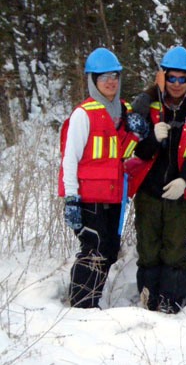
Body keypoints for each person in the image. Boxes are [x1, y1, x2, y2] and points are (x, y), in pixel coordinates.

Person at [59, 47, 148, 308]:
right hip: (89, 197)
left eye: (114, 76)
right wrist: (71, 198)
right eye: (103, 77)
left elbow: (121, 155)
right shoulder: (83, 114)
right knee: (94, 249)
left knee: (108, 250)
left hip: (113, 196)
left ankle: (92, 299)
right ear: (93, 81)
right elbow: (70, 159)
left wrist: (136, 134)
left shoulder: (122, 112)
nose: (110, 82)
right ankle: (81, 304)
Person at [129, 46, 186, 314]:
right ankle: (148, 302)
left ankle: (172, 302)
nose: (176, 84)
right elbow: (137, 151)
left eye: (182, 79)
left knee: (174, 252)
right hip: (149, 192)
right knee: (148, 251)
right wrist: (153, 138)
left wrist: (185, 181)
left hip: (181, 195)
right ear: (164, 78)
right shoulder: (147, 106)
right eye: (171, 78)